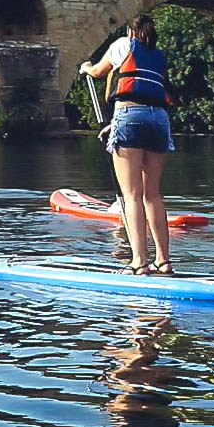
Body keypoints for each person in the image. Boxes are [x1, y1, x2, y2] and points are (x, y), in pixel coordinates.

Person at [80, 15, 175, 275]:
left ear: (130, 31)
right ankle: (164, 261)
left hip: (129, 116)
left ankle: (139, 263)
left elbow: (99, 71)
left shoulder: (123, 44)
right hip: (159, 120)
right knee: (153, 194)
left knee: (131, 195)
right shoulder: (159, 56)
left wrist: (86, 68)